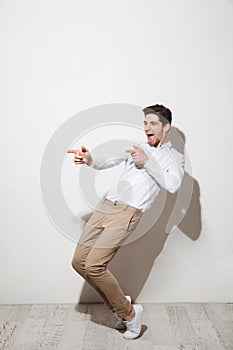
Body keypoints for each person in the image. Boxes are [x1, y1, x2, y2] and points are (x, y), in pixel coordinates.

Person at [67, 104, 185, 340]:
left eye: (153, 123)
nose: (147, 127)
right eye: (145, 123)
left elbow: (173, 185)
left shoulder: (174, 158)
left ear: (166, 127)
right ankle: (122, 307)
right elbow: (107, 161)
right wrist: (90, 159)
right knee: (79, 262)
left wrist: (148, 162)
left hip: (128, 213)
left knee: (95, 266)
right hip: (107, 205)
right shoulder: (138, 146)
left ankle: (130, 315)